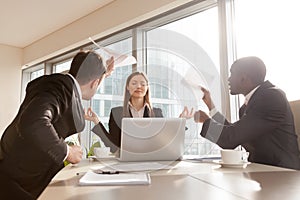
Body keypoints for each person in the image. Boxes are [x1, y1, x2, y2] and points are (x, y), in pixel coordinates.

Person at [0, 50, 114, 199]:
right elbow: (35, 123)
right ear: (95, 82)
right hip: (20, 180)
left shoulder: (62, 85)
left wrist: (102, 73)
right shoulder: (58, 88)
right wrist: (67, 151)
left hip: (25, 173)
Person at [194, 56, 300, 170]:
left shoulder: (271, 97)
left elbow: (230, 138)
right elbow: (235, 133)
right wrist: (211, 106)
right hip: (262, 170)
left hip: (283, 173)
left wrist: (206, 121)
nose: (228, 79)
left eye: (232, 74)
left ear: (243, 78)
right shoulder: (247, 106)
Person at [85, 71, 193, 153]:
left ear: (147, 88)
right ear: (127, 87)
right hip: (126, 163)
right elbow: (113, 146)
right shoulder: (116, 112)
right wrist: (96, 121)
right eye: (134, 83)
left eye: (142, 84)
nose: (138, 86)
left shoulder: (157, 113)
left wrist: (180, 122)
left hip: (151, 161)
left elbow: (165, 141)